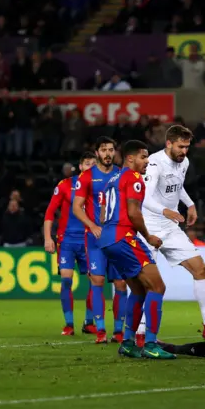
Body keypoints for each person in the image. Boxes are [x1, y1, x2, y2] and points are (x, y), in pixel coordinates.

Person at [138, 125, 205, 343]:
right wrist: (166, 211)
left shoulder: (183, 162)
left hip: (170, 227)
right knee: (146, 282)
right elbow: (144, 198)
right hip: (148, 228)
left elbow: (177, 187)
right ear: (169, 144)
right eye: (180, 146)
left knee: (200, 268)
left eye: (187, 147)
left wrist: (190, 204)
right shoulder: (154, 164)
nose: (184, 151)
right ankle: (140, 332)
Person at [98, 140, 175, 360]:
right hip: (123, 237)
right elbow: (133, 213)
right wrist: (149, 236)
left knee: (139, 290)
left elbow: (102, 214)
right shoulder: (133, 178)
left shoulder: (111, 179)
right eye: (143, 157)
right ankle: (150, 343)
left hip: (108, 239)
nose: (147, 161)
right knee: (157, 286)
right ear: (130, 158)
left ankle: (128, 342)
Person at [73, 137, 126, 344]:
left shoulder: (122, 174)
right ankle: (101, 329)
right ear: (96, 153)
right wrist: (92, 225)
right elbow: (77, 207)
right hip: (95, 238)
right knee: (98, 281)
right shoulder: (86, 177)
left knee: (121, 283)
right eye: (103, 150)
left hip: (118, 236)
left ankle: (119, 331)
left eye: (111, 150)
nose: (107, 154)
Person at [44, 151, 98, 336]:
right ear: (81, 166)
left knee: (95, 281)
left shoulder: (100, 187)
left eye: (94, 164)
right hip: (66, 241)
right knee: (66, 281)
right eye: (87, 164)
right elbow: (50, 212)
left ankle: (88, 322)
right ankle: (69, 324)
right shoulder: (66, 185)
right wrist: (47, 237)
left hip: (89, 239)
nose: (90, 167)